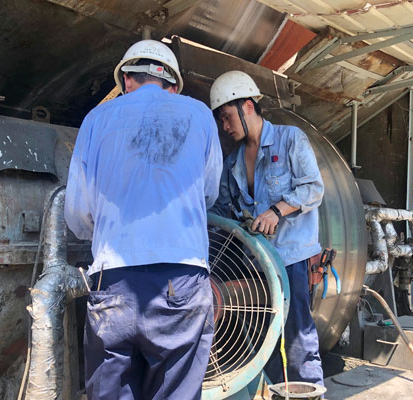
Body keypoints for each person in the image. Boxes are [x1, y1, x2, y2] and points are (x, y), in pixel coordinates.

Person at [64, 39, 222, 400]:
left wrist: (103, 233)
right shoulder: (199, 115)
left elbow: (77, 211)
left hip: (113, 281)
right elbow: (208, 192)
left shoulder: (96, 119)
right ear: (172, 84)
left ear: (126, 80)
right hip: (181, 281)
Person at [209, 70, 324, 385]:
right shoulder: (232, 163)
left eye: (228, 117)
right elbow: (221, 211)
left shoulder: (290, 139)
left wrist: (276, 211)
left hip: (291, 258)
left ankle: (311, 391)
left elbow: (313, 188)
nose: (225, 126)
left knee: (298, 336)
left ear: (248, 106)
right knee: (262, 340)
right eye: (220, 120)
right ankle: (272, 391)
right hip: (255, 263)